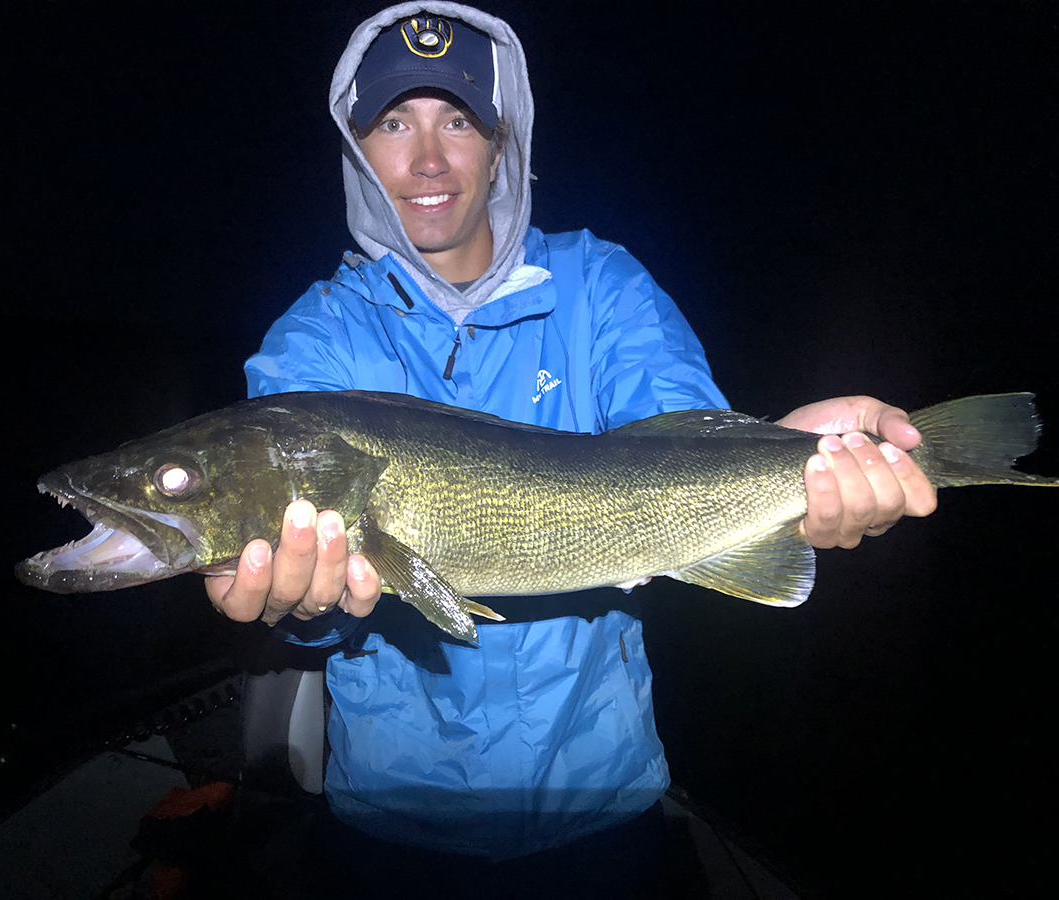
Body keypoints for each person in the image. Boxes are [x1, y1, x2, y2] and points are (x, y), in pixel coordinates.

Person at [206, 1, 936, 876]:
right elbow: (302, 615)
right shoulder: (311, 346)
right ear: (356, 150)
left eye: (459, 121)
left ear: (503, 142)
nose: (428, 159)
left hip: (607, 807)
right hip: (395, 824)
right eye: (393, 122)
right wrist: (299, 608)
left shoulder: (602, 285)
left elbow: (681, 440)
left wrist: (784, 463)